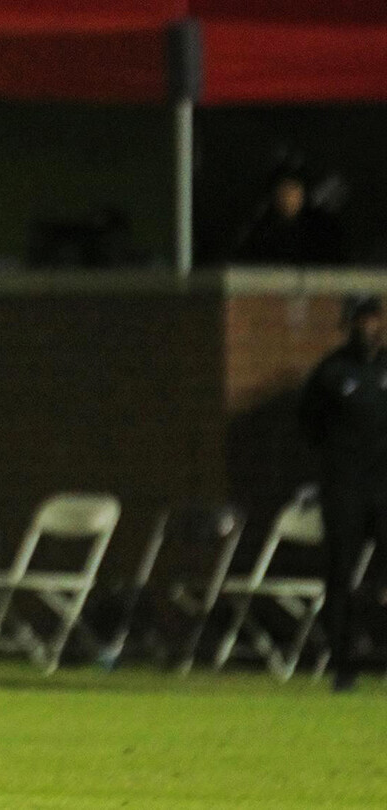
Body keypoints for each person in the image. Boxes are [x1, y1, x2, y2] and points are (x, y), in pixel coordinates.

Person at [299, 293, 387, 692]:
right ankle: (343, 663)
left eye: (373, 319)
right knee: (340, 574)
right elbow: (310, 427)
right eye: (360, 320)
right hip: (345, 488)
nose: (368, 327)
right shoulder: (331, 373)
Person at [233, 171, 346, 265]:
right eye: (283, 191)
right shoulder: (261, 228)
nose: (288, 198)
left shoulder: (319, 229)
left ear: (302, 194)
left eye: (293, 191)